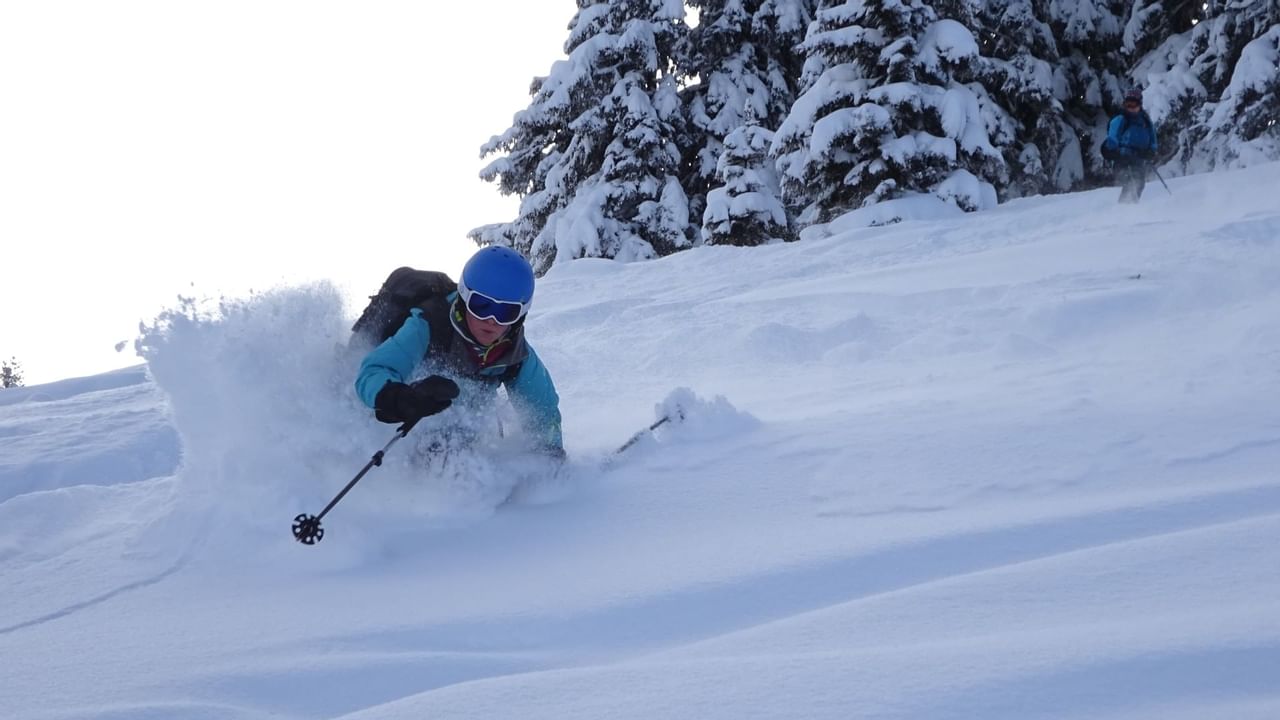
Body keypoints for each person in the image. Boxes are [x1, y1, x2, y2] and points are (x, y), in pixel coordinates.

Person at [353, 246, 564, 458]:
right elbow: (374, 370)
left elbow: (543, 412)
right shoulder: (429, 325)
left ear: (521, 315)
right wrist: (398, 398)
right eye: (481, 305)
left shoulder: (516, 355)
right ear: (464, 298)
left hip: (458, 429)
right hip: (396, 405)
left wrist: (550, 458)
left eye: (506, 312)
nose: (492, 319)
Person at [1103, 88, 1159, 203]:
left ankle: (1131, 208)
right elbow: (1112, 138)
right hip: (1123, 158)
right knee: (1131, 181)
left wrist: (1151, 151)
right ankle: (1123, 208)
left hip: (1138, 158)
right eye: (1128, 104)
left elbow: (1153, 139)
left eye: (1134, 104)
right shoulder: (1121, 119)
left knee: (1140, 183)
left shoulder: (1145, 121)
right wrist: (1110, 150)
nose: (1131, 108)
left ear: (1140, 104)